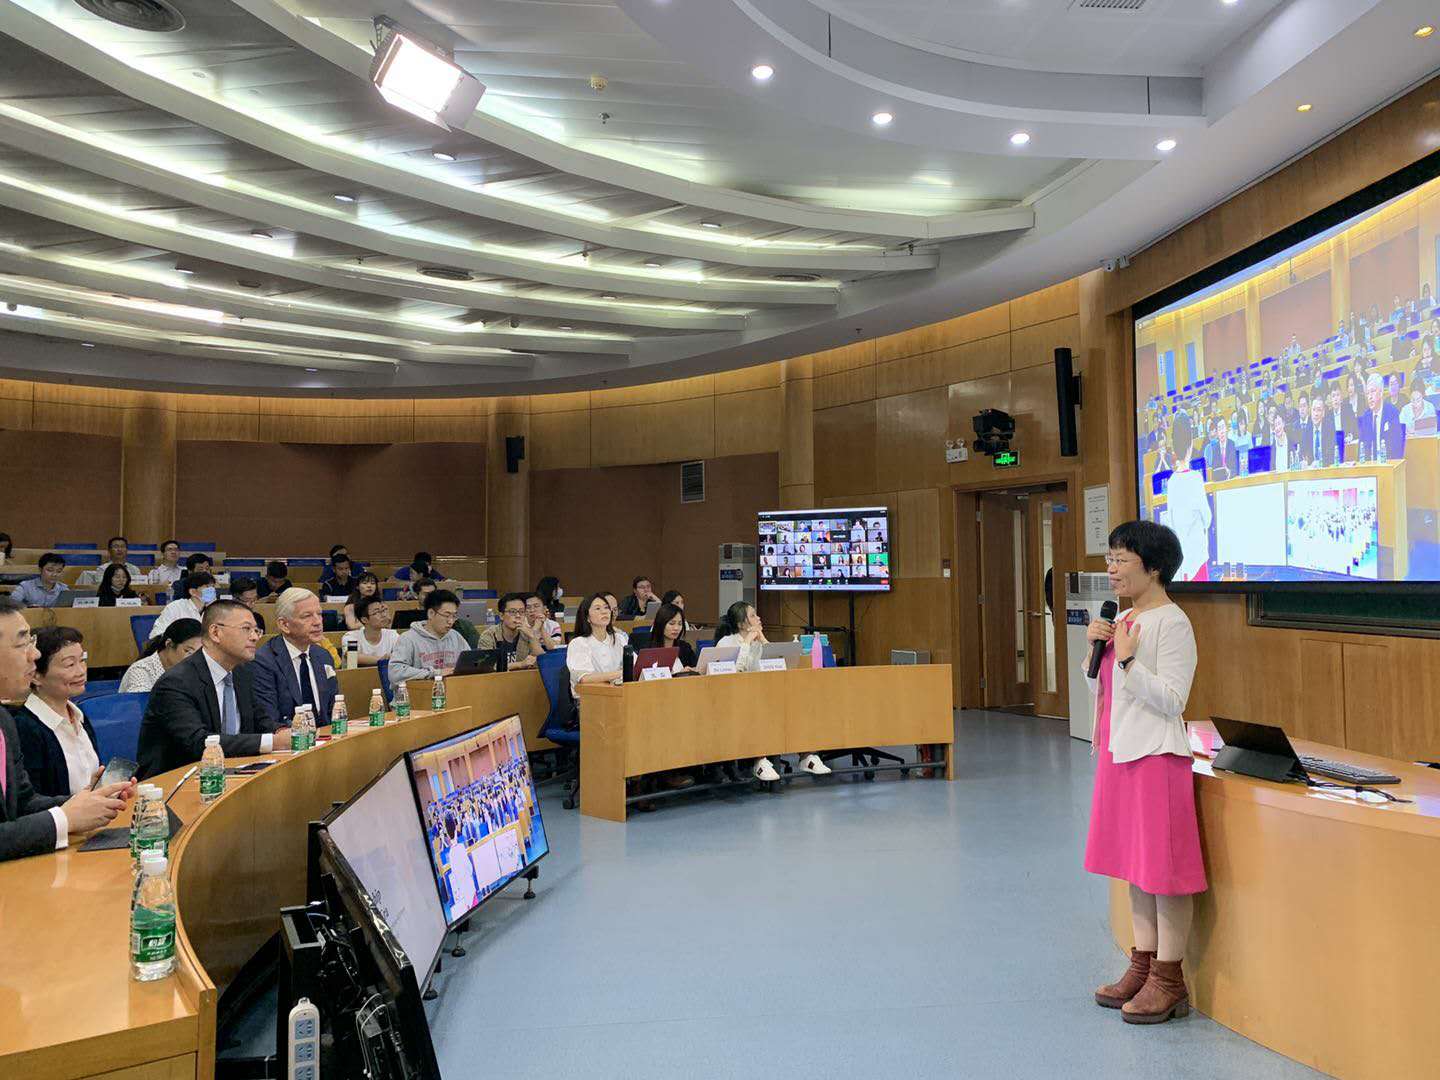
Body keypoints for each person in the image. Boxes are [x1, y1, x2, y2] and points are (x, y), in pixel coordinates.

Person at [1084, 521, 1205, 1025]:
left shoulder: (1173, 623)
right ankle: (1142, 965)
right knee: (1136, 869)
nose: (1111, 570)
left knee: (1164, 873)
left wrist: (1130, 662)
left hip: (1156, 757)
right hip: (1120, 753)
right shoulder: (1126, 617)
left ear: (1153, 567)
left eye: (1120, 560)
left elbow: (1173, 700)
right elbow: (1106, 694)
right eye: (1109, 559)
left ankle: (1169, 979)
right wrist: (1095, 651)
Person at [0, 596, 134, 861]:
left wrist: (87, 801)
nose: (35, 655)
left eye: (32, 642)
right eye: (22, 643)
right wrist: (64, 819)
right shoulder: (22, 724)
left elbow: (23, 803)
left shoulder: (4, 721)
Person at [137, 600, 290, 779]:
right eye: (246, 629)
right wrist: (273, 741)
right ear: (215, 632)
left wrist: (285, 732)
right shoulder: (176, 682)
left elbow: (260, 720)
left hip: (232, 772)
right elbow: (198, 742)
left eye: (257, 630)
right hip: (176, 781)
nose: (255, 637)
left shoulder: (242, 672)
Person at [716, 601, 831, 780]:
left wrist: (763, 641)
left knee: (797, 704)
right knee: (758, 710)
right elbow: (735, 672)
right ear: (741, 624)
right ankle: (759, 761)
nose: (758, 618)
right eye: (753, 615)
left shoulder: (758, 643)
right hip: (735, 700)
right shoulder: (726, 643)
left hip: (762, 694)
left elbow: (777, 665)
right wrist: (746, 642)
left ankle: (807, 755)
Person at [12, 627, 99, 798]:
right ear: (35, 676)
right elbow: (30, 802)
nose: (81, 671)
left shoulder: (78, 716)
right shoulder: (24, 728)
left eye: (82, 660)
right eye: (70, 664)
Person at [252, 588, 338, 729]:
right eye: (307, 616)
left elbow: (334, 710)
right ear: (284, 625)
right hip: (289, 739)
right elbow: (269, 721)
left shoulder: (323, 656)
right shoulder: (263, 661)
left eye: (319, 614)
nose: (318, 622)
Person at [1162, 416, 1211, 582]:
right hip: (1196, 556)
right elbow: (1207, 519)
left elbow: (1171, 521)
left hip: (1179, 559)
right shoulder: (1196, 478)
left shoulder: (1171, 482)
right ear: (1190, 444)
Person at [388, 589, 467, 681]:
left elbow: (470, 664)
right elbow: (395, 672)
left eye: (454, 616)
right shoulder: (408, 639)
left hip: (453, 688)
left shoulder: (455, 636)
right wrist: (435, 673)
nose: (451, 621)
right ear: (431, 613)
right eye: (447, 615)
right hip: (420, 689)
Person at [120, 618, 203, 693]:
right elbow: (141, 703)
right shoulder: (141, 671)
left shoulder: (192, 670)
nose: (194, 659)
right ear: (169, 644)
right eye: (188, 651)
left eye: (199, 652)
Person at [565, 593, 624, 698]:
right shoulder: (578, 643)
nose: (604, 611)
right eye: (597, 608)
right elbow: (584, 678)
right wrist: (621, 673)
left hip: (617, 694)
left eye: (606, 608)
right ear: (587, 617)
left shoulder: (619, 638)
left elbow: (635, 665)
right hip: (589, 699)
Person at [474, 592, 540, 669]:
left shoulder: (526, 634)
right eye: (513, 612)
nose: (518, 616)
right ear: (501, 616)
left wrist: (532, 637)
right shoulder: (489, 635)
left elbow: (542, 662)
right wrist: (519, 664)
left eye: (522, 612)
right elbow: (485, 666)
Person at [150, 571, 215, 639]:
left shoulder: (214, 609)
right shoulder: (175, 608)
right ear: (193, 592)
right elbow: (156, 635)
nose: (212, 590)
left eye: (213, 587)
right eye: (207, 587)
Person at [340, 597, 399, 666]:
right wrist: (382, 660)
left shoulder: (392, 635)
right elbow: (352, 657)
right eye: (377, 612)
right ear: (364, 620)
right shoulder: (350, 637)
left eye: (383, 610)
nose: (384, 615)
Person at [77, 536, 142, 587]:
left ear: (127, 550)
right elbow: (101, 587)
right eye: (116, 547)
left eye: (122, 546)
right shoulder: (102, 569)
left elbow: (139, 586)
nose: (119, 549)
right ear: (109, 551)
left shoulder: (135, 569)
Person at [650, 602, 697, 669]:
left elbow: (696, 668)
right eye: (672, 623)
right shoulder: (648, 649)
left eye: (680, 624)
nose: (676, 628)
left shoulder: (685, 648)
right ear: (661, 624)